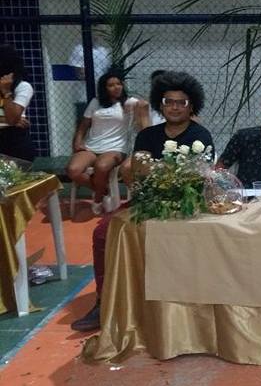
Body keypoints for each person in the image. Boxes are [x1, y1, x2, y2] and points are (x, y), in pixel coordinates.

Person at [72, 71, 215, 333]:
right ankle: (104, 302)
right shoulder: (148, 135)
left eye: (181, 102)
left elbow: (196, 179)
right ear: (161, 104)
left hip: (188, 206)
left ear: (191, 105)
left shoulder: (201, 136)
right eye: (168, 101)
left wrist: (156, 171)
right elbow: (137, 171)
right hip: (147, 202)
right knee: (103, 232)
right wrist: (159, 174)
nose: (174, 107)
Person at [66, 70, 142, 214]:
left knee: (101, 167)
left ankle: (98, 199)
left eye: (119, 84)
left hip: (116, 148)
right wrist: (77, 142)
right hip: (91, 146)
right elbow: (83, 125)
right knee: (73, 170)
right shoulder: (96, 102)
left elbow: (145, 106)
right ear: (104, 88)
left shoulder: (129, 102)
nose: (116, 87)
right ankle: (103, 190)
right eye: (111, 85)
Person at [0, 44, 35, 162]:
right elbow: (13, 120)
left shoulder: (23, 87)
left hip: (14, 140)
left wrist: (6, 91)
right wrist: (4, 120)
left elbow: (12, 119)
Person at [69, 39, 111, 120]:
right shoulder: (79, 49)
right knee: (84, 121)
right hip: (84, 95)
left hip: (102, 94)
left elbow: (107, 72)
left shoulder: (104, 50)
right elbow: (80, 73)